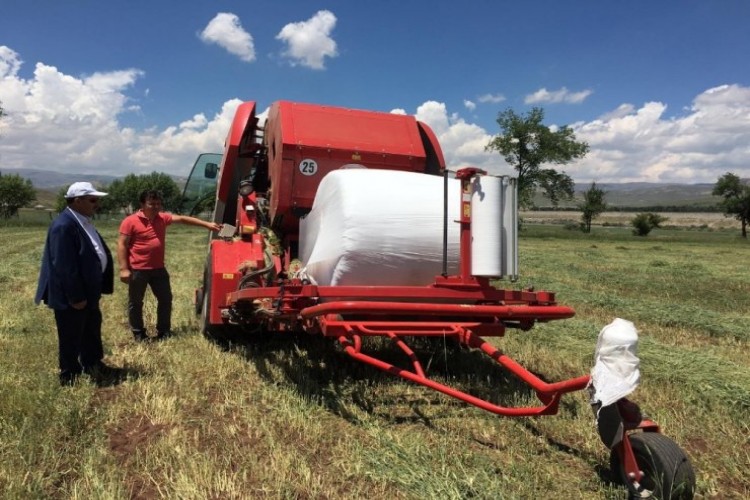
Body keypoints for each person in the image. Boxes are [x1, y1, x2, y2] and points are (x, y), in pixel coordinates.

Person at [35, 182, 116, 386]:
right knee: (71, 334)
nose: (97, 204)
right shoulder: (64, 225)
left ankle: (92, 363)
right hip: (73, 296)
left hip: (89, 291)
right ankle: (69, 375)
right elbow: (64, 265)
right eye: (93, 200)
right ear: (77, 201)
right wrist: (76, 297)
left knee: (90, 328)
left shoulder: (82, 221)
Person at [118, 190, 221, 341]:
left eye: (158, 204)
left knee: (166, 299)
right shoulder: (130, 221)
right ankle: (139, 333)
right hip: (138, 269)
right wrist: (124, 269)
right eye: (151, 203)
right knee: (135, 302)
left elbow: (183, 219)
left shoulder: (162, 218)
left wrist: (207, 224)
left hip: (158, 269)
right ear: (142, 204)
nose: (155, 207)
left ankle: (164, 332)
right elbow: (122, 244)